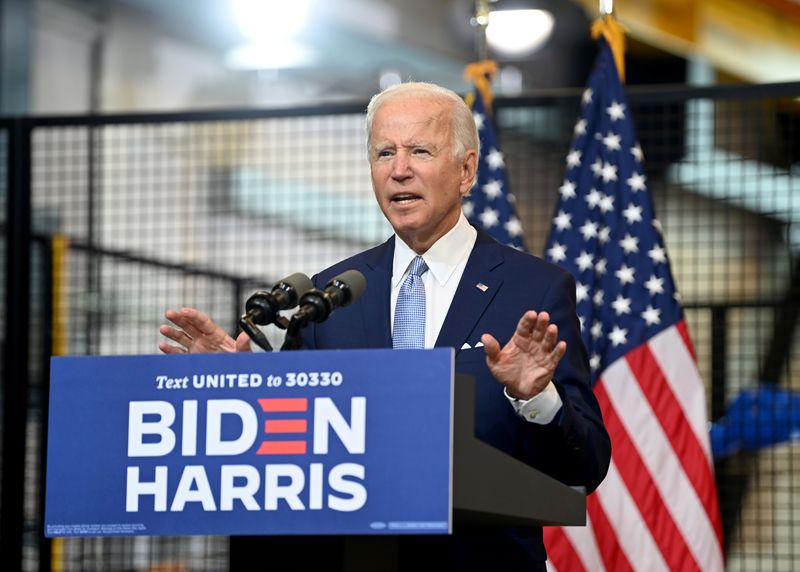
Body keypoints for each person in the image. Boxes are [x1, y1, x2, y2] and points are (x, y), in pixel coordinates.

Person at [160, 82, 611, 571]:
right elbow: (293, 445)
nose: (399, 170)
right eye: (384, 153)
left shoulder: (534, 291)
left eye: (420, 150)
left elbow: (584, 466)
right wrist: (241, 387)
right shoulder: (331, 294)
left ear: (466, 170)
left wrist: (536, 399)